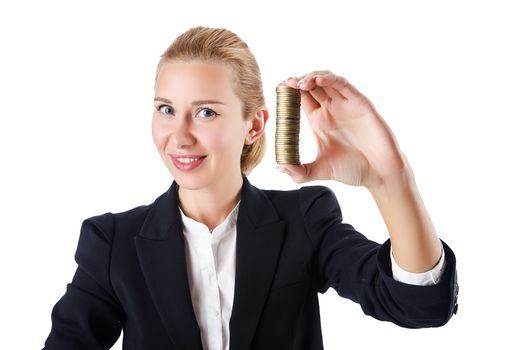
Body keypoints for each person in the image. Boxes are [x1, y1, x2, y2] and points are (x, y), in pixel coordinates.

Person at [42, 26, 458, 350]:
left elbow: (418, 304)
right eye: (166, 110)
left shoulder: (304, 221)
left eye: (205, 112)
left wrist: (390, 179)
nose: (180, 136)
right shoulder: (114, 242)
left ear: (254, 125)